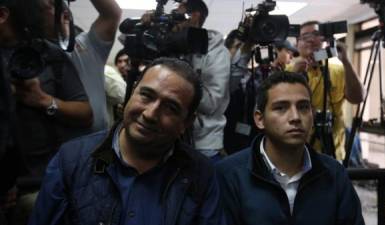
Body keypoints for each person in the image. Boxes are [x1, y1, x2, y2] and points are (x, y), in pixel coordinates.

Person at [29, 57, 226, 225]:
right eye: (146, 95)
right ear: (131, 92)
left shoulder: (201, 174)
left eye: (171, 108)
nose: (150, 114)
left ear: (186, 122)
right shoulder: (72, 160)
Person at [217, 71, 364, 225]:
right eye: (281, 108)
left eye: (303, 107)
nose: (295, 117)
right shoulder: (229, 175)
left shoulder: (334, 174)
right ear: (260, 119)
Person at [0, 0, 93, 224]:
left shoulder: (49, 54)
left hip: (47, 184)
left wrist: (43, 100)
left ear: (3, 14)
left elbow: (85, 113)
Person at [41, 0, 122, 133]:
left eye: (44, 8)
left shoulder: (87, 45)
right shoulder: (29, 53)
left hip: (95, 144)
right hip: (53, 147)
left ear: (65, 16)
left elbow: (112, 13)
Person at [289, 20, 365, 160]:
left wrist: (346, 62)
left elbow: (357, 98)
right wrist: (294, 75)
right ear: (297, 43)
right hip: (296, 153)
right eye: (305, 36)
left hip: (333, 152)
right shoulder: (287, 71)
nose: (311, 40)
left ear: (325, 40)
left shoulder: (339, 69)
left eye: (317, 34)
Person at [173, 0, 231, 162]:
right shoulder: (171, 46)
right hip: (168, 137)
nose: (173, 21)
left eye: (177, 16)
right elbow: (124, 39)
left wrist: (181, 76)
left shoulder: (216, 52)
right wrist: (148, 25)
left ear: (194, 17)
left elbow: (210, 104)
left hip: (203, 144)